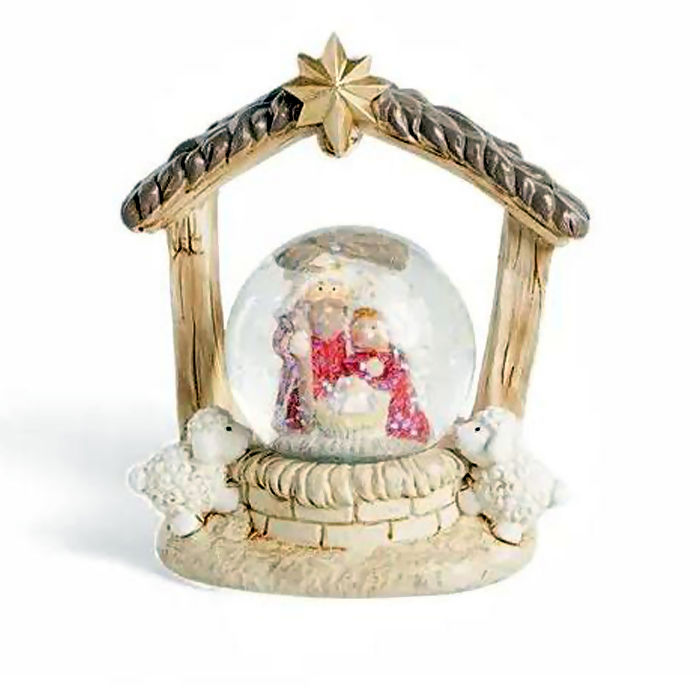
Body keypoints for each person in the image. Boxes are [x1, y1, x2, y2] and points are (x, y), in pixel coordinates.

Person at [343, 307, 430, 443]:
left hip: (401, 407)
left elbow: (398, 377)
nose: (365, 332)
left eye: (373, 327)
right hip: (375, 413)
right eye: (359, 326)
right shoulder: (358, 360)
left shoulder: (394, 357)